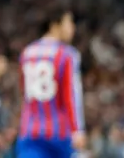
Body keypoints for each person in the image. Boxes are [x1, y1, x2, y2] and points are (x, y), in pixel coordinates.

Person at [16, 10, 85, 158]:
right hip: (58, 134)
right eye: (69, 23)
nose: (72, 28)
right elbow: (71, 95)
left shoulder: (27, 53)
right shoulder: (67, 54)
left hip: (29, 130)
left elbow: (24, 91)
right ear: (54, 25)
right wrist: (77, 129)